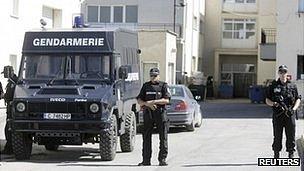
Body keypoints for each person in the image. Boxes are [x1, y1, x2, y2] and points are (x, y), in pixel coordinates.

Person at [136, 68, 171, 166]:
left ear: (159, 76)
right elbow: (139, 100)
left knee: (163, 137)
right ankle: (146, 160)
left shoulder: (163, 85)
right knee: (146, 137)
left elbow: (167, 100)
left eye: (155, 75)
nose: (153, 77)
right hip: (148, 113)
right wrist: (148, 104)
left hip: (160, 113)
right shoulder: (146, 86)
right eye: (151, 75)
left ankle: (162, 159)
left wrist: (154, 102)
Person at [266, 65, 301, 158]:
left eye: (284, 72)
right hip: (278, 115)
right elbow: (267, 100)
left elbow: (298, 99)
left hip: (290, 114)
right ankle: (276, 154)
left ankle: (291, 153)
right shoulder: (273, 85)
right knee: (277, 135)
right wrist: (274, 104)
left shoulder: (292, 85)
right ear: (278, 73)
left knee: (291, 135)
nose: (282, 74)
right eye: (281, 72)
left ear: (287, 73)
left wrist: (293, 109)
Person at [1, 68, 18, 155]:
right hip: (10, 108)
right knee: (8, 129)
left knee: (9, 129)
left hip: (12, 109)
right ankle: (9, 148)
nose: (4, 75)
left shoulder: (14, 82)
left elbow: (11, 95)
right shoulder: (11, 81)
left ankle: (10, 149)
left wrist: (4, 96)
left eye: (5, 73)